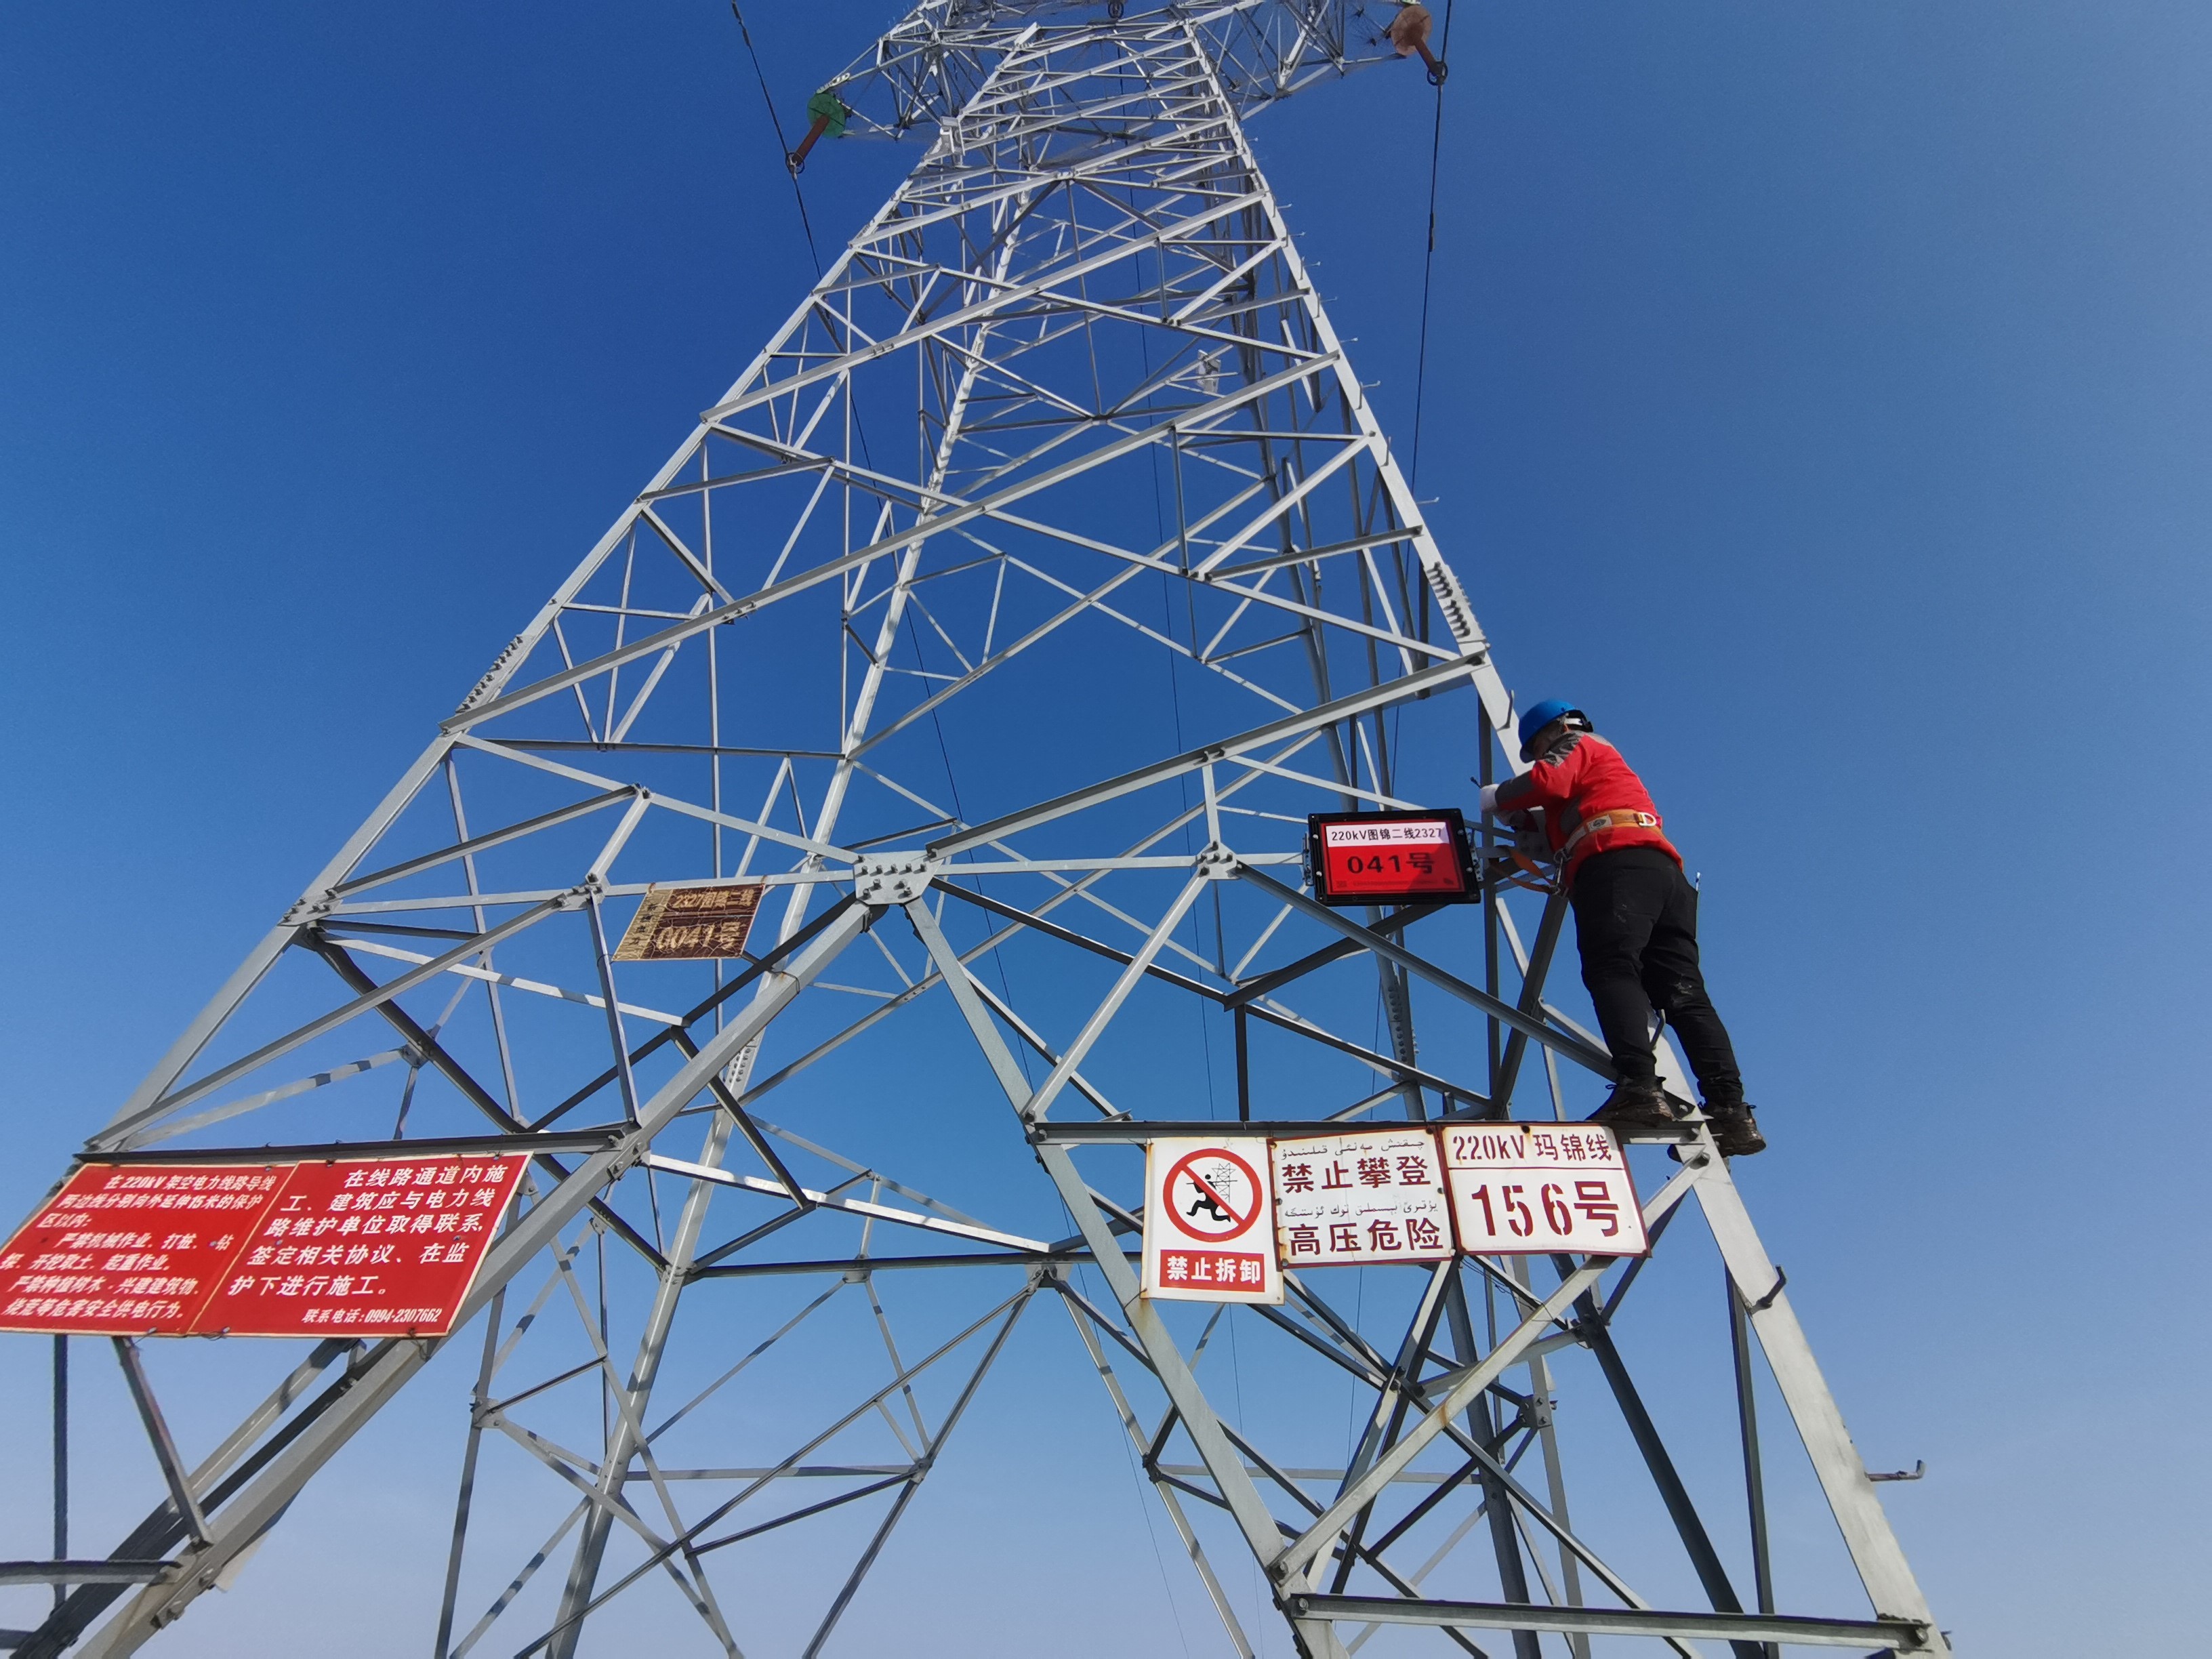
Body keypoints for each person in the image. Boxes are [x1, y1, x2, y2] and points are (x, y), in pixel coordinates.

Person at [1476, 699, 1765, 1156]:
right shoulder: (1601, 776)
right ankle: (1732, 1112)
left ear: (1557, 729)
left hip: (1616, 864)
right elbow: (1557, 818)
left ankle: (1641, 1088)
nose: (1540, 756)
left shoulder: (1578, 742)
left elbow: (1550, 780)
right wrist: (1522, 819)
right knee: (1684, 994)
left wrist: (1499, 796)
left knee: (1611, 968)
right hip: (1660, 873)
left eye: (1539, 748)